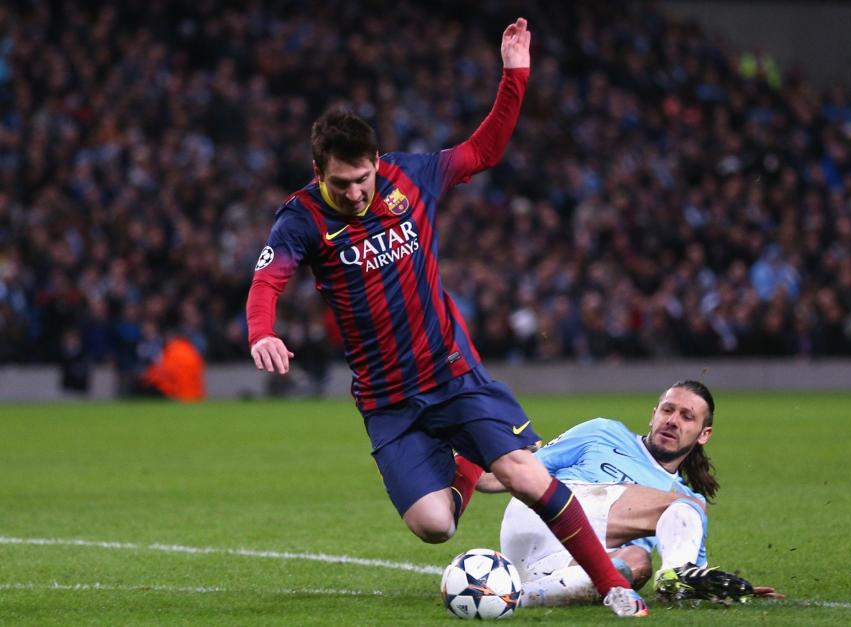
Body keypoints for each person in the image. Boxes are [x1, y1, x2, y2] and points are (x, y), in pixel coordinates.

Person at [245, 18, 646, 617]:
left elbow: (484, 150)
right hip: (387, 399)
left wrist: (515, 75)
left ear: (377, 161)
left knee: (522, 474)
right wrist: (262, 331)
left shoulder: (413, 175)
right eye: (341, 183)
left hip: (452, 373)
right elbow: (267, 278)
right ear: (317, 170)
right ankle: (462, 462)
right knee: (435, 527)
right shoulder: (300, 218)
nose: (355, 194)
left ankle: (611, 582)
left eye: (362, 179)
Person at [483, 380, 780, 607]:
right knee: (685, 508)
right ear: (653, 415)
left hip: (559, 565)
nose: (672, 420)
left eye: (687, 416)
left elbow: (692, 571)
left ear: (704, 434)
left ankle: (515, 596)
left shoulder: (684, 505)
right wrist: (467, 477)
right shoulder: (602, 432)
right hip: (541, 517)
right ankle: (674, 574)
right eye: (667, 410)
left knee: (638, 562)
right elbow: (522, 470)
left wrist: (727, 589)